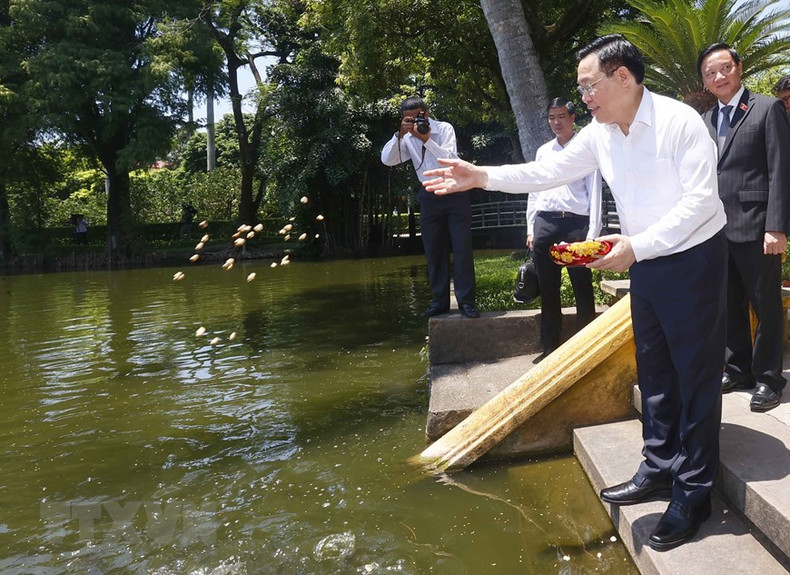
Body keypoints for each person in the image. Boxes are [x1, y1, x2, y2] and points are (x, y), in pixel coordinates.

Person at [423, 34, 727, 552]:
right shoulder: (601, 133)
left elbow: (701, 202)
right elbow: (548, 171)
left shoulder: (681, 123)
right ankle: (657, 466)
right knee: (653, 366)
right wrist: (480, 176)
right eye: (582, 87)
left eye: (589, 85)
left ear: (623, 78)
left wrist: (638, 245)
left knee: (694, 374)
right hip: (643, 259)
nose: (583, 96)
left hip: (693, 257)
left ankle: (694, 492)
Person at [699, 44, 790, 413]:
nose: (719, 76)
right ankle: (738, 369)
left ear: (739, 67)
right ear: (704, 82)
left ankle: (769, 378)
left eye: (724, 68)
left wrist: (777, 226)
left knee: (766, 304)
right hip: (716, 229)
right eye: (710, 73)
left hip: (757, 227)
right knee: (728, 304)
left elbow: (780, 169)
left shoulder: (767, 108)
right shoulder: (704, 120)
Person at [381, 96, 478, 318]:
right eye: (409, 118)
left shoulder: (444, 128)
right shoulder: (406, 138)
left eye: (419, 116)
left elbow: (450, 158)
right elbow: (387, 160)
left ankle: (467, 303)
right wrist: (400, 134)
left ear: (427, 112)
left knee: (462, 250)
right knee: (434, 251)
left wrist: (426, 139)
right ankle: (439, 302)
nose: (416, 121)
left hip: (455, 191)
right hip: (429, 195)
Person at [526, 97, 602, 358]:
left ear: (573, 118)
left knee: (582, 285)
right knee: (548, 287)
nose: (556, 122)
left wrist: (593, 232)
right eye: (551, 117)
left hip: (575, 223)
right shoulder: (543, 151)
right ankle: (550, 346)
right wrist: (530, 228)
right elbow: (534, 189)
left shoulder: (585, 148)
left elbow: (594, 193)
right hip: (546, 222)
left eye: (561, 117)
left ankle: (586, 346)